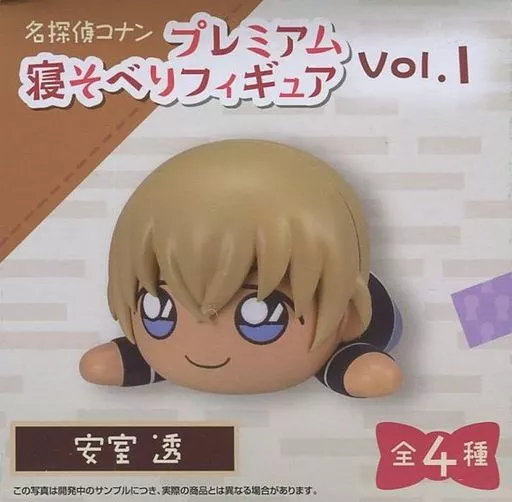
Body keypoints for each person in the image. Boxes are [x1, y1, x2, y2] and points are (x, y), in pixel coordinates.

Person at [80, 139, 403, 397]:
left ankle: (340, 357)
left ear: (347, 314)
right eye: (159, 310)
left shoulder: (349, 307)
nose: (205, 348)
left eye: (261, 318)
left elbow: (377, 376)